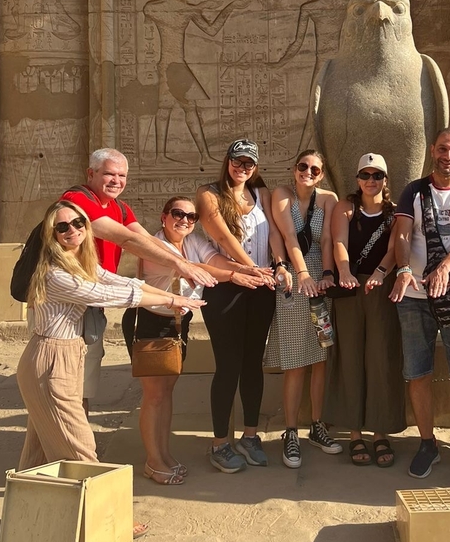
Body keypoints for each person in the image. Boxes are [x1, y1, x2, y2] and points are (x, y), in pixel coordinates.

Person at [17, 200, 202, 475]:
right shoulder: (56, 273)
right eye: (62, 227)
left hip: (66, 356)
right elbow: (109, 295)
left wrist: (171, 297)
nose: (72, 230)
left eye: (78, 222)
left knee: (40, 453)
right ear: (51, 234)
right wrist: (172, 299)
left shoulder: (79, 263)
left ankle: (29, 502)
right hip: (50, 360)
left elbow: (122, 282)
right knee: (80, 452)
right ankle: (101, 505)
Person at [124, 195, 267, 485]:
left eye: (191, 217)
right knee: (154, 396)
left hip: (178, 323)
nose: (185, 220)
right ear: (164, 217)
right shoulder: (156, 244)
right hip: (151, 322)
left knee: (166, 393)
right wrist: (233, 275)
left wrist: (245, 268)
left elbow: (213, 259)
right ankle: (153, 462)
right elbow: (193, 267)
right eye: (178, 214)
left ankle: (163, 454)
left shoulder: (192, 240)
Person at [62, 149, 214, 415]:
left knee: (83, 381)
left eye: (122, 175)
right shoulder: (77, 200)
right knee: (67, 383)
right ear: (91, 174)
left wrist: (182, 262)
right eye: (109, 174)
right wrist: (180, 264)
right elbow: (128, 240)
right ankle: (72, 438)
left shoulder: (120, 208)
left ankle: (74, 437)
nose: (116, 181)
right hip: (67, 300)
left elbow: (147, 240)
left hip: (94, 298)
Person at [389, 128, 450, 482]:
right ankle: (427, 442)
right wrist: (403, 268)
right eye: (443, 149)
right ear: (433, 150)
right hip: (415, 296)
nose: (448, 156)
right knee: (418, 373)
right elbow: (403, 232)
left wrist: (445, 267)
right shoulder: (414, 191)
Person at [197, 139, 288, 473]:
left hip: (260, 287)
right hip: (227, 286)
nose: (242, 168)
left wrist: (279, 264)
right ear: (227, 161)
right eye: (237, 161)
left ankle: (250, 435)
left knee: (252, 363)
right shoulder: (209, 193)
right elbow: (222, 236)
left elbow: (274, 233)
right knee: (228, 365)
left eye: (249, 163)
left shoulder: (260, 193)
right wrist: (250, 268)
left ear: (255, 167)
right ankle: (220, 442)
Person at [326, 153, 405, 467]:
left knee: (380, 356)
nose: (371, 181)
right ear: (357, 179)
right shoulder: (346, 208)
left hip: (381, 287)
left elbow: (395, 248)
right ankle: (355, 432)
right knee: (350, 356)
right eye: (365, 175)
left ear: (385, 180)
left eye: (377, 175)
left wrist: (381, 273)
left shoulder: (395, 212)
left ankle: (380, 431)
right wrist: (344, 271)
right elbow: (339, 242)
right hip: (350, 287)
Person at [266, 150, 342, 468]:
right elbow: (289, 237)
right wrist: (303, 274)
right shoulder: (282, 194)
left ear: (321, 174)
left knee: (321, 358)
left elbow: (327, 239)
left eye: (314, 169)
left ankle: (317, 425)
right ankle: (291, 431)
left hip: (318, 280)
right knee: (296, 361)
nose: (307, 172)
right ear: (294, 168)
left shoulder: (328, 199)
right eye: (303, 166)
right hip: (294, 280)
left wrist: (327, 274)